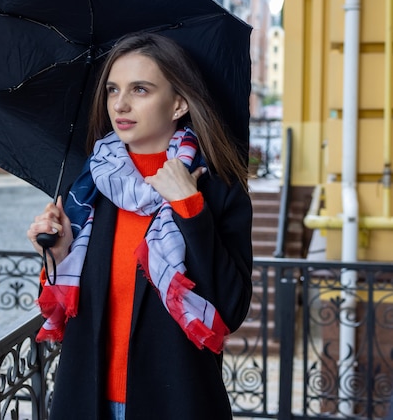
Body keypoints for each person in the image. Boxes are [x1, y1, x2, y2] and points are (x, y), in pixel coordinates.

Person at [27, 32, 253, 420]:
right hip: (88, 399)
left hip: (175, 403)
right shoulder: (89, 189)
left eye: (141, 89)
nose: (121, 104)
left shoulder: (217, 191)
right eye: (113, 90)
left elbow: (231, 308)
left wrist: (191, 209)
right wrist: (58, 252)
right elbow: (73, 301)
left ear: (178, 103)